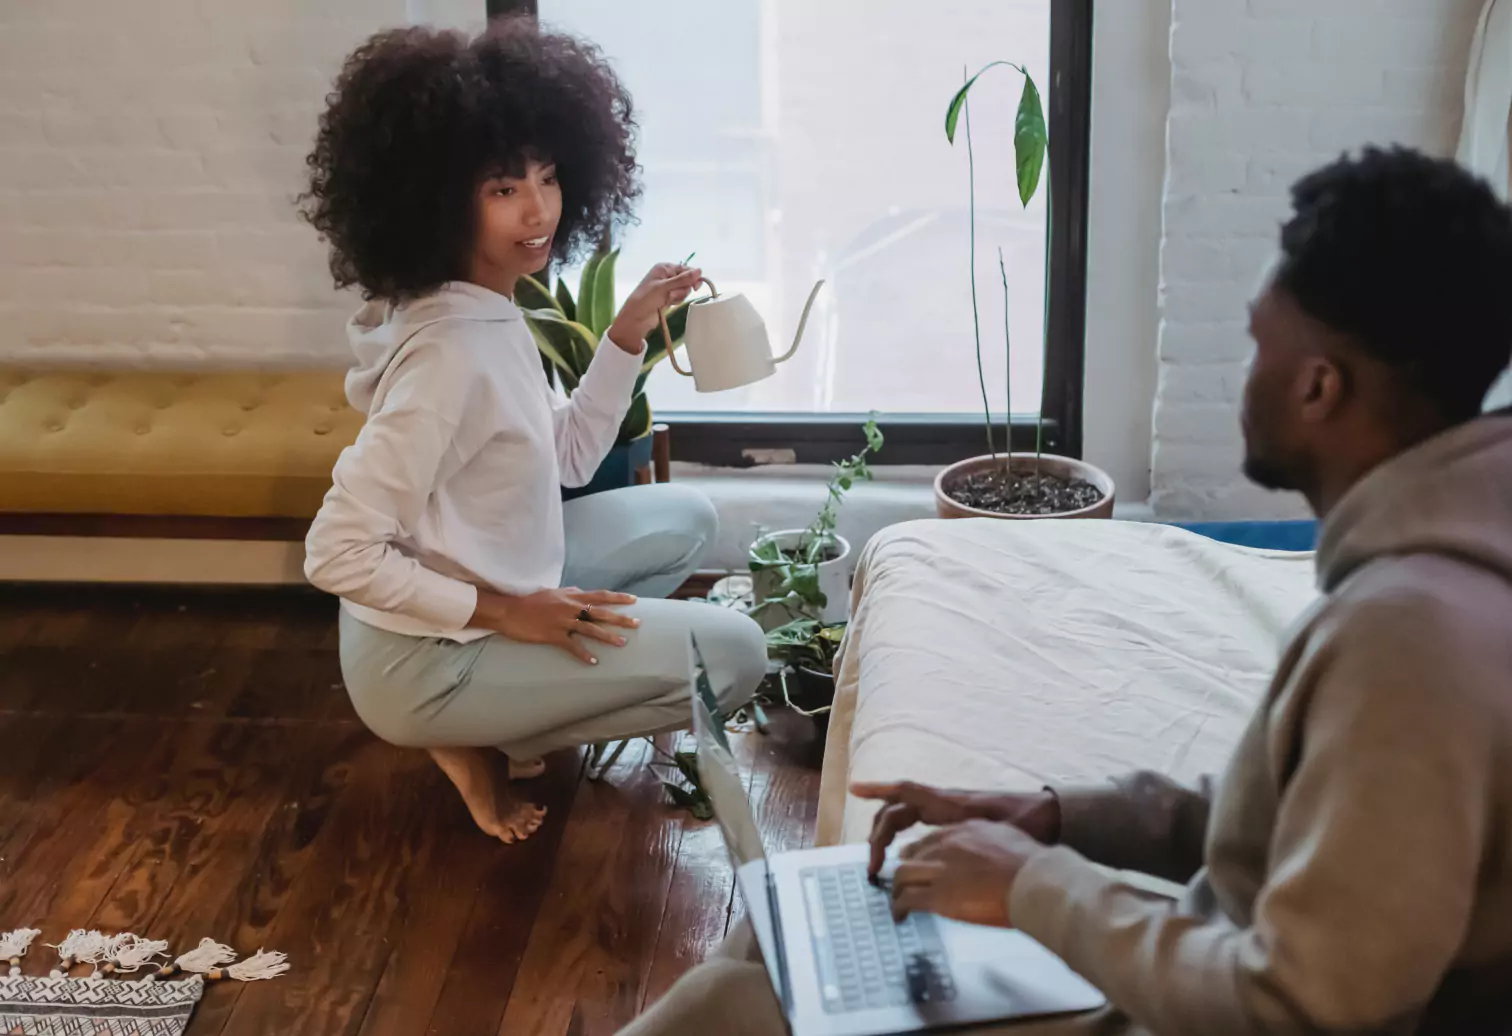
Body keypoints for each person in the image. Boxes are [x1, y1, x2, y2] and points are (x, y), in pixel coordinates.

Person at [621, 147, 1512, 1035]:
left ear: (1321, 386)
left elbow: (1295, 1008)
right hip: (1206, 965)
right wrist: (1048, 818)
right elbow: (1295, 816)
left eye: (1257, 346)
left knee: (726, 1005)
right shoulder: (1431, 582)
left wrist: (1030, 886)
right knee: (785, 931)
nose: (1244, 377)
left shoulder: (1409, 641)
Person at [299, 21, 767, 846]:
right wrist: (507, 615)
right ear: (439, 198)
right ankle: (477, 730)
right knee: (737, 655)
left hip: (474, 581)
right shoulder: (452, 354)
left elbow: (565, 457)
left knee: (685, 518)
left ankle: (517, 706)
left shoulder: (483, 302)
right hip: (422, 660)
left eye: (548, 178)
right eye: (503, 188)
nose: (540, 208)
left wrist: (624, 334)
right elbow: (335, 551)